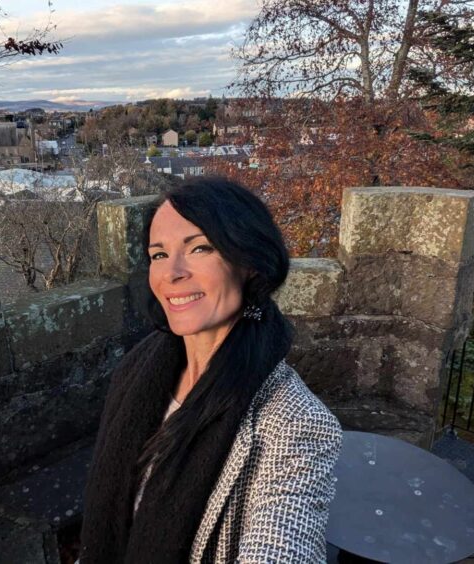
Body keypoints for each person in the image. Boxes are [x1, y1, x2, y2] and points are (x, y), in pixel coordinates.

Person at [79, 177, 343, 563]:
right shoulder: (140, 366)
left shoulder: (297, 424)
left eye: (199, 248)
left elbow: (283, 542)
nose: (171, 274)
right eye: (158, 255)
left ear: (250, 263)